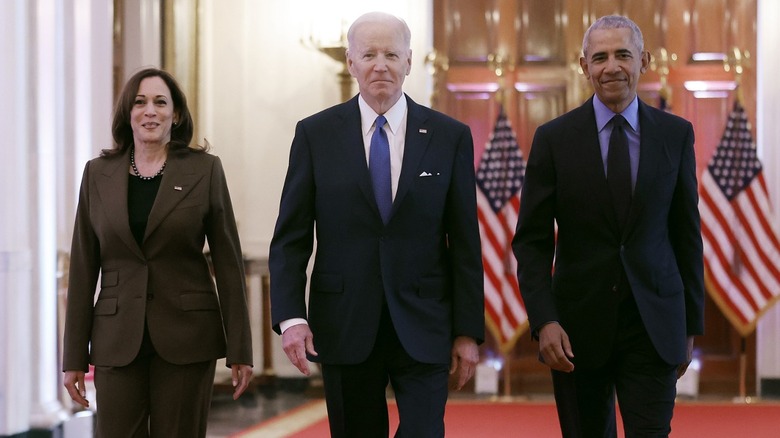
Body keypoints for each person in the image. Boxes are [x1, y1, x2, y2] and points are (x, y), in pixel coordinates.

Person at [269, 11, 485, 437]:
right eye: (369, 54)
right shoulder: (315, 135)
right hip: (344, 323)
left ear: (409, 61)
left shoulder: (448, 136)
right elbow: (291, 237)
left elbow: (464, 243)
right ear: (351, 62)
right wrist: (291, 317)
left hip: (424, 323)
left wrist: (467, 332)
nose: (380, 64)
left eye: (391, 54)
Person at [512, 15, 704, 437]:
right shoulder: (553, 139)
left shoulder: (676, 135)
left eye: (622, 55)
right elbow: (532, 242)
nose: (611, 67)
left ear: (644, 61)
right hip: (575, 333)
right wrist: (543, 320)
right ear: (584, 66)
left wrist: (690, 323)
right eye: (599, 57)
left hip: (654, 326)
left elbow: (686, 234)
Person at [62, 67, 253, 437]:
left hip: (187, 336)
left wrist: (240, 349)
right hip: (116, 338)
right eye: (140, 102)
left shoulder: (205, 170)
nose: (150, 111)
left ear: (176, 114)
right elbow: (84, 269)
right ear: (127, 114)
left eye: (160, 102)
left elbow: (229, 263)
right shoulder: (97, 174)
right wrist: (73, 357)